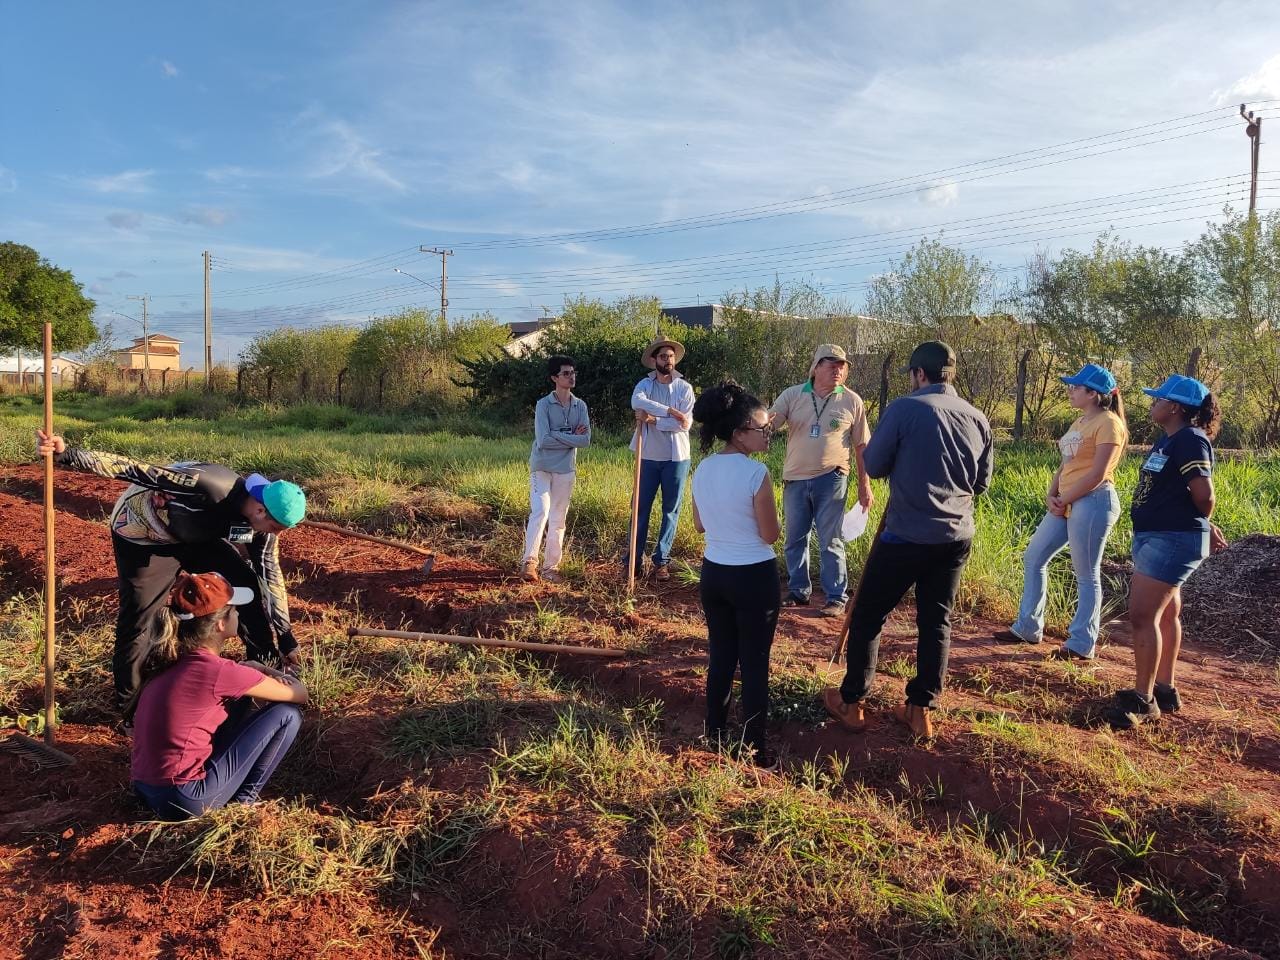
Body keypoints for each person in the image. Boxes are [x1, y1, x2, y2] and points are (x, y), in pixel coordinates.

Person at [36, 431, 306, 716]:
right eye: (276, 528)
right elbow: (135, 469)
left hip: (196, 538)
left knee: (246, 585)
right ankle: (131, 710)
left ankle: (262, 675)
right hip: (145, 539)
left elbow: (271, 578)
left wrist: (286, 635)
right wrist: (67, 455)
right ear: (261, 510)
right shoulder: (209, 485)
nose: (276, 535)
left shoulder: (262, 530)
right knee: (140, 620)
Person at [823, 341, 992, 739]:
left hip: (906, 534)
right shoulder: (978, 417)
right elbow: (980, 484)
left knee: (868, 614)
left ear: (919, 374)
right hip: (955, 537)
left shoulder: (904, 408)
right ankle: (920, 711)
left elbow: (877, 464)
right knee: (936, 622)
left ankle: (852, 702)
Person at [131, 571, 308, 821]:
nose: (238, 615)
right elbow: (299, 694)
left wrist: (250, 673)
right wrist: (265, 670)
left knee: (242, 697)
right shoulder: (220, 672)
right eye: (234, 611)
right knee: (287, 714)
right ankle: (244, 803)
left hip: (146, 789)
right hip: (183, 798)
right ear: (220, 624)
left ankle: (227, 792)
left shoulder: (169, 660)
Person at [1103, 374, 1227, 730]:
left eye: (1158, 399)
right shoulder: (1170, 439)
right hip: (1159, 535)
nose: (1152, 403)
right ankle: (1165, 689)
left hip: (1170, 538)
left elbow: (1205, 495)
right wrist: (1202, 523)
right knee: (1167, 612)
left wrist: (1201, 523)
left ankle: (1143, 700)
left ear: (1175, 407)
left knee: (1142, 615)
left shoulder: (1189, 440)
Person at [995, 363, 1128, 660]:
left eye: (1076, 387)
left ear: (1093, 393)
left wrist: (1065, 497)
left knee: (1086, 573)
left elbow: (1098, 473)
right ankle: (1028, 627)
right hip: (1067, 501)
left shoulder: (1108, 423)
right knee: (1034, 556)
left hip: (1093, 501)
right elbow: (1067, 464)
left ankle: (1081, 643)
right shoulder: (1079, 423)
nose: (1070, 391)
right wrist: (1052, 493)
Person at [690, 382, 781, 768]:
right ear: (740, 432)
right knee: (755, 662)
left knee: (722, 656)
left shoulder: (702, 469)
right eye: (762, 429)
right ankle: (755, 748)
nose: (767, 435)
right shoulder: (756, 474)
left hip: (714, 574)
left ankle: (714, 732)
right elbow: (770, 535)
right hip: (754, 577)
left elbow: (698, 525)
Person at [768, 344, 873, 617]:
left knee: (831, 539)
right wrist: (753, 423)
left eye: (842, 365)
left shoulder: (852, 401)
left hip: (833, 477)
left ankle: (836, 597)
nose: (838, 370)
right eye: (832, 364)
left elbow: (862, 447)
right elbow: (770, 422)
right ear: (816, 367)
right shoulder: (793, 395)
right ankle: (799, 589)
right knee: (794, 538)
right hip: (795, 477)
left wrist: (865, 485)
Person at [624, 336, 695, 582]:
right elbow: (637, 402)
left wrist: (654, 420)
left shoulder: (685, 388)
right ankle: (633, 558)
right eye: (663, 356)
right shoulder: (644, 384)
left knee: (670, 511)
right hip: (648, 456)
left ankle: (661, 561)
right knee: (640, 508)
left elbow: (685, 425)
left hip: (676, 458)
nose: (668, 360)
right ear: (654, 360)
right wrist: (669, 412)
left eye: (671, 356)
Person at [522, 355, 590, 583]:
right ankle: (529, 562)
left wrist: (558, 436)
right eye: (565, 373)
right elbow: (543, 440)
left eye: (573, 373)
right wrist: (571, 437)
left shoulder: (580, 405)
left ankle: (551, 567)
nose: (571, 377)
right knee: (540, 510)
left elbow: (586, 440)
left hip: (566, 468)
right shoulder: (543, 404)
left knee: (558, 518)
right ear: (554, 378)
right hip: (542, 465)